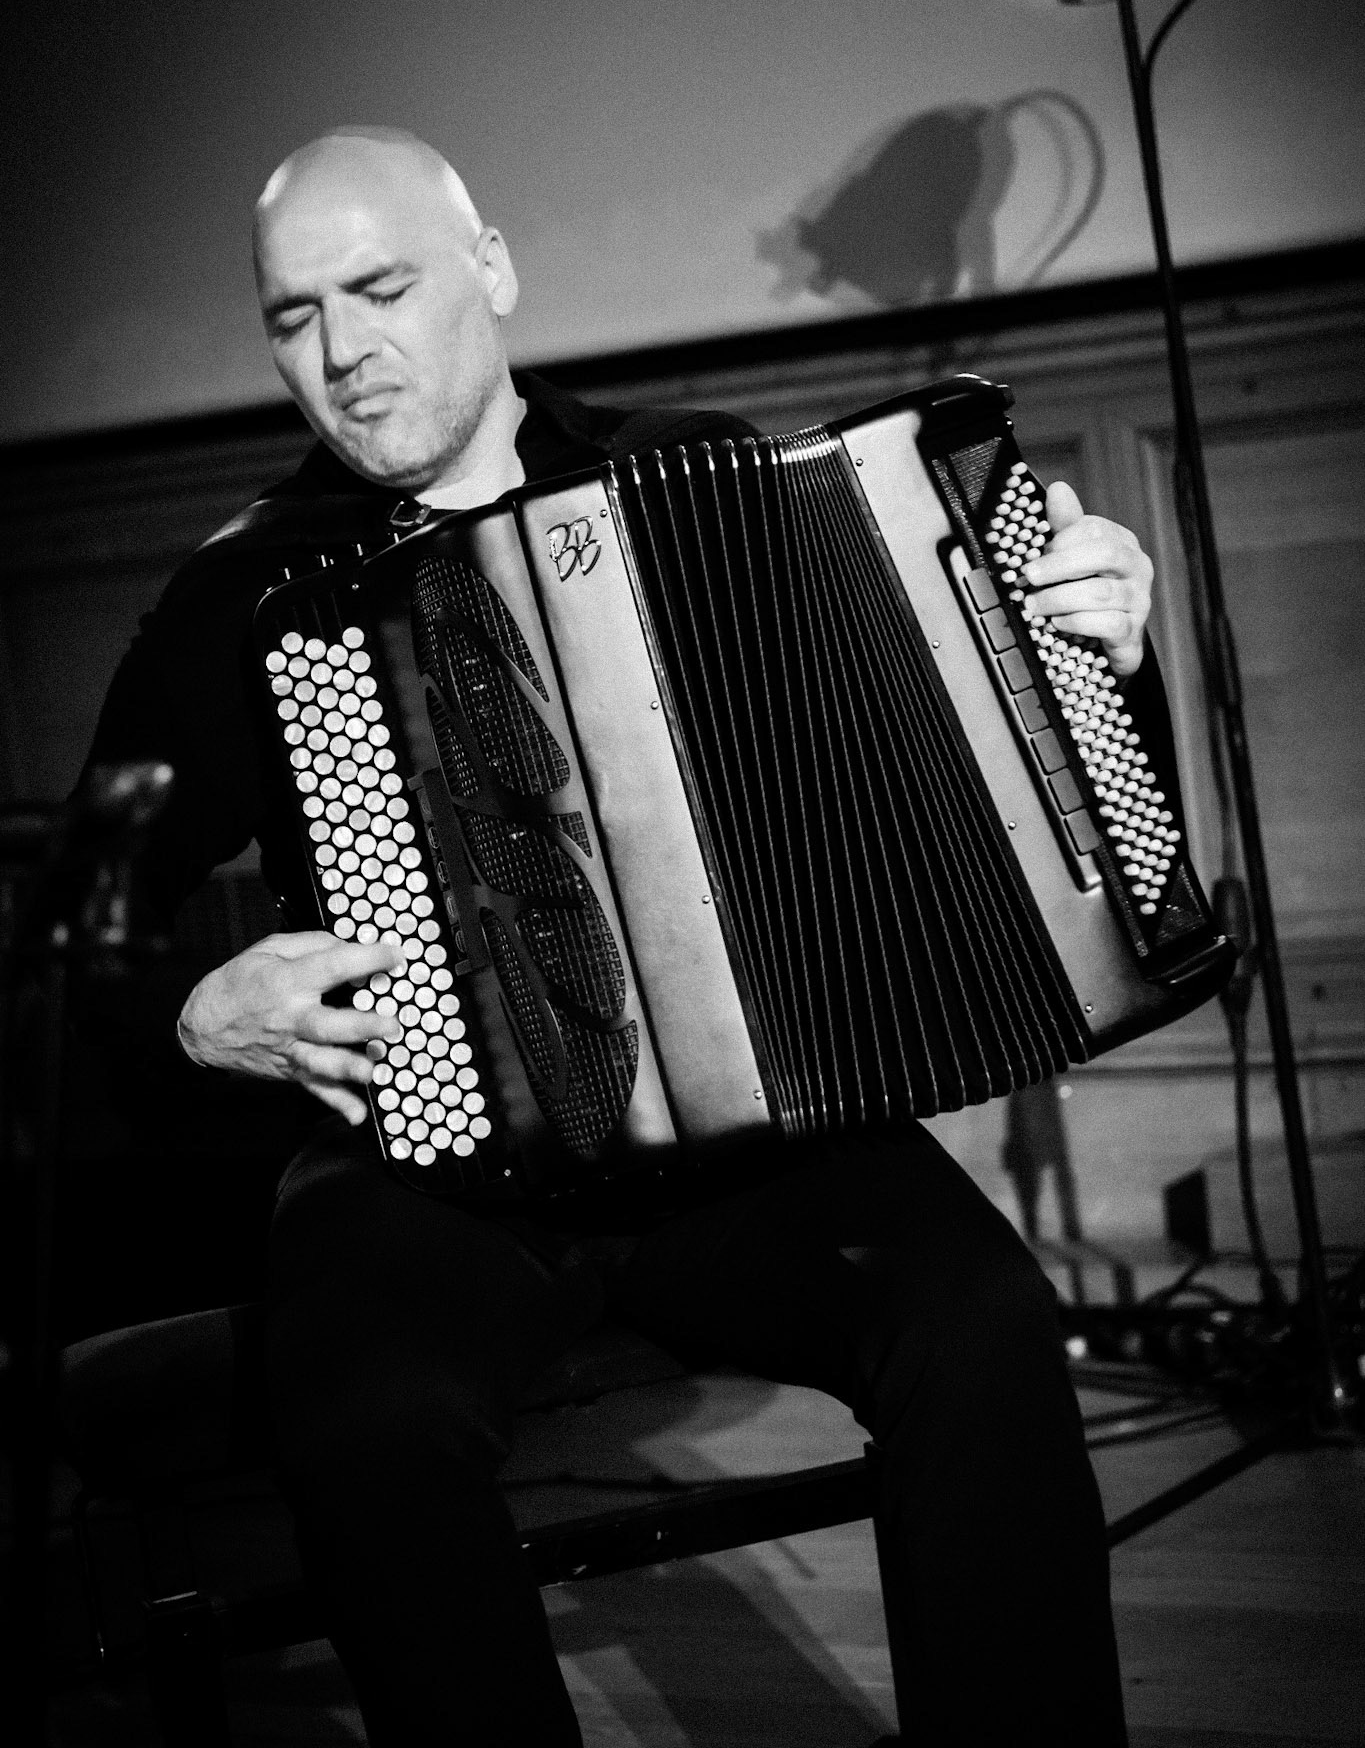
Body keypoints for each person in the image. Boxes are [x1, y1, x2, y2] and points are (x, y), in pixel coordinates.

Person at [85, 127, 1162, 1746]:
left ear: (493, 270)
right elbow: (71, 934)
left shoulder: (698, 477)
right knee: (370, 1418)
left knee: (983, 1321)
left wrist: (1101, 646)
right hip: (430, 1166)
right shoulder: (247, 597)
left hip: (755, 1142)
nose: (342, 352)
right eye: (293, 315)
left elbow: (961, 755)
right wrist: (186, 1012)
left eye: (379, 289)